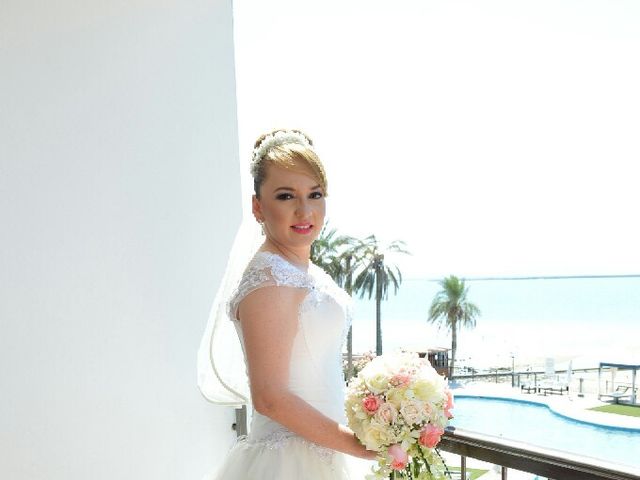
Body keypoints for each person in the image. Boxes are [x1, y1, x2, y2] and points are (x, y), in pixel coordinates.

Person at [206, 129, 376, 479]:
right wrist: (358, 445)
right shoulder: (270, 278)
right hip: (291, 463)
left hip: (324, 451)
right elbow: (269, 397)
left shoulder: (298, 269)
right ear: (258, 206)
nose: (304, 210)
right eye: (286, 196)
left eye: (315, 194)